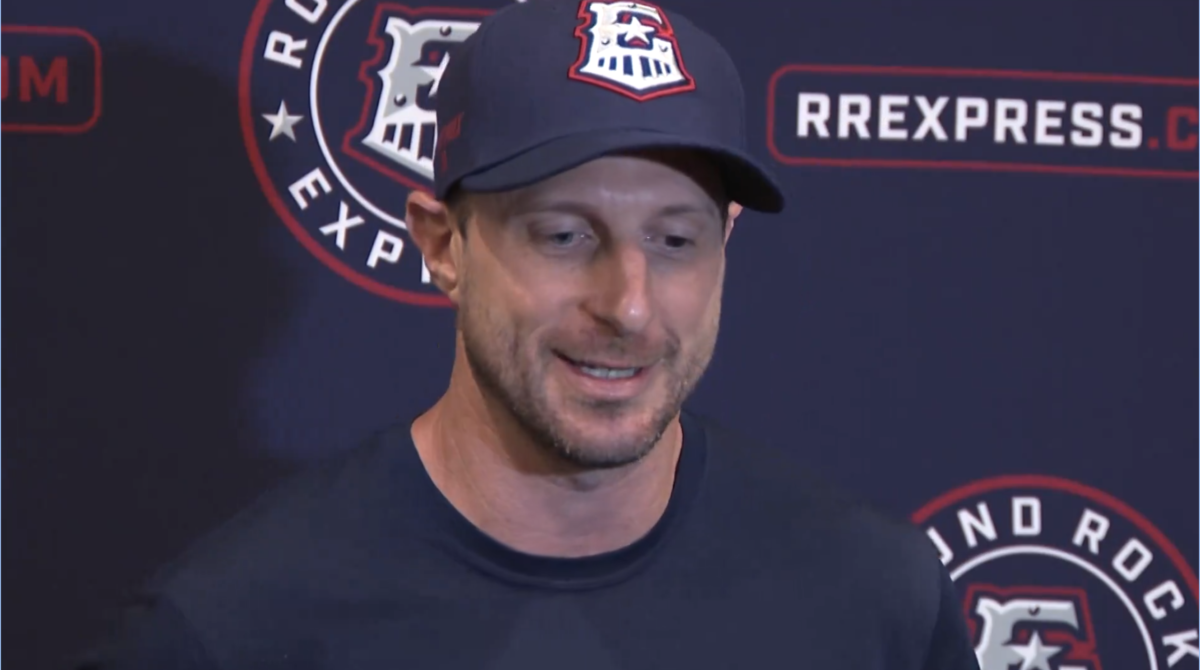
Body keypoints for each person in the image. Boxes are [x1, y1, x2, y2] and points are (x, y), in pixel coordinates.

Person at [77, 0, 981, 667]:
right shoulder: (232, 629)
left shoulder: (877, 600)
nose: (628, 306)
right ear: (444, 244)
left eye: (675, 240)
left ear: (727, 244)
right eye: (565, 235)